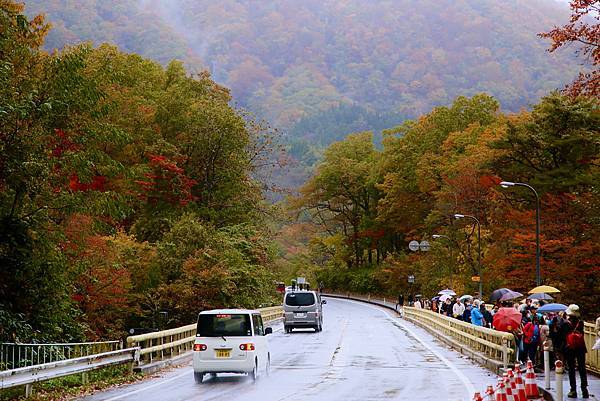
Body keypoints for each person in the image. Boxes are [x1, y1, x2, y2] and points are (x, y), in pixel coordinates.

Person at [561, 304, 588, 399]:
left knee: (571, 369)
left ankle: (573, 390)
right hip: (580, 348)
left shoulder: (565, 324)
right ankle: (585, 390)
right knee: (582, 368)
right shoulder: (581, 323)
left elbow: (562, 337)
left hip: (570, 349)